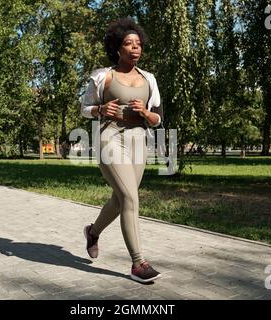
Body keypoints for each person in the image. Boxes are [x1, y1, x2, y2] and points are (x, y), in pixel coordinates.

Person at [80, 17, 164, 283]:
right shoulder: (103, 76)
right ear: (118, 48)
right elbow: (84, 108)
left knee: (121, 198)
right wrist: (100, 109)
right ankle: (138, 263)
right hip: (110, 137)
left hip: (138, 140)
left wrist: (147, 113)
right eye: (129, 43)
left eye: (138, 44)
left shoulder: (149, 79)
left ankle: (93, 232)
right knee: (130, 198)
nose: (135, 48)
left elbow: (159, 118)